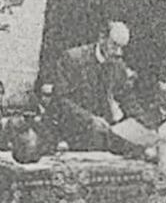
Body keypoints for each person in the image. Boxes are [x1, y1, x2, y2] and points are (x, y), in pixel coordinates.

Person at [41, 21, 143, 150]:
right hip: (67, 132)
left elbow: (127, 98)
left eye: (122, 48)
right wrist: (89, 120)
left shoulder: (118, 66)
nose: (119, 52)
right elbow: (61, 100)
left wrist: (142, 124)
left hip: (100, 134)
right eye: (114, 46)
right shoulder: (73, 59)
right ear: (102, 38)